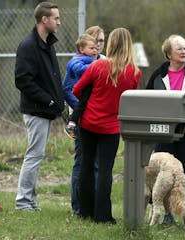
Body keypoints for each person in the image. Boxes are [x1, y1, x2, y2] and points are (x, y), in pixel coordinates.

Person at [72, 27, 141, 223]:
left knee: (86, 165)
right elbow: (132, 100)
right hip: (112, 127)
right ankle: (103, 215)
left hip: (88, 123)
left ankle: (85, 210)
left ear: (111, 44)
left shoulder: (97, 67)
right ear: (129, 45)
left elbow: (76, 90)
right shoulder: (134, 73)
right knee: (105, 170)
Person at [145, 34, 185, 232]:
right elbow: (148, 99)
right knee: (164, 174)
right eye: (179, 48)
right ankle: (168, 215)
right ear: (169, 53)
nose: (184, 51)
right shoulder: (157, 75)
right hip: (163, 131)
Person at [14, 1, 64, 211]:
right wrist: (48, 100)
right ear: (44, 19)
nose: (59, 22)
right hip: (36, 111)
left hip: (46, 111)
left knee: (36, 154)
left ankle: (30, 202)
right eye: (56, 18)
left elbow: (51, 78)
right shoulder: (28, 46)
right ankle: (23, 202)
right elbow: (23, 81)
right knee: (34, 155)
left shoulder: (47, 44)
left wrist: (59, 102)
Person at [63, 25, 106, 215]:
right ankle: (78, 206)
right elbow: (68, 89)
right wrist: (81, 109)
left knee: (97, 162)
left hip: (100, 118)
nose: (98, 46)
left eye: (101, 42)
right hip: (82, 117)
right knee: (82, 162)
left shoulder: (104, 61)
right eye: (94, 42)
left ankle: (94, 205)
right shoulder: (78, 61)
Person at [63, 34, 98, 139]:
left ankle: (76, 127)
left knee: (83, 109)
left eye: (96, 48)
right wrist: (95, 66)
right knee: (81, 108)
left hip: (76, 91)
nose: (95, 50)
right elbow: (78, 69)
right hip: (69, 92)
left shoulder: (89, 58)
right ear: (81, 49)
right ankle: (71, 126)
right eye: (91, 48)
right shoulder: (78, 59)